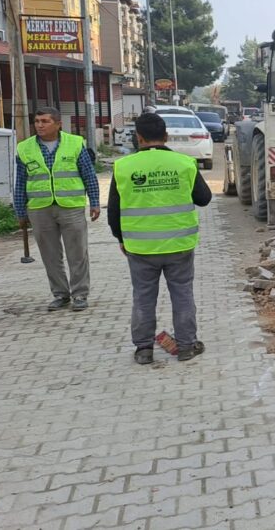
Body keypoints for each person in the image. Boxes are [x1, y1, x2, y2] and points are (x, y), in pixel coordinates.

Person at [108, 113, 212, 364]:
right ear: (166, 136)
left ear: (138, 137)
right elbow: (204, 198)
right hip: (179, 245)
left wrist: (120, 238)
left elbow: (113, 210)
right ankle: (186, 346)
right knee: (182, 295)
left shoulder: (123, 167)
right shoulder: (185, 163)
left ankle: (144, 350)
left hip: (140, 247)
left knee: (143, 297)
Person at [15, 107, 100, 311]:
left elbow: (88, 174)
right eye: (37, 121)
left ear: (58, 124)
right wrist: (20, 210)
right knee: (50, 255)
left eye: (45, 121)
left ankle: (80, 294)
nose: (40, 125)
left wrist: (95, 202)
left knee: (77, 253)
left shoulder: (75, 143)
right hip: (39, 209)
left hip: (70, 207)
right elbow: (20, 182)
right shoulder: (24, 148)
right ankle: (60, 294)